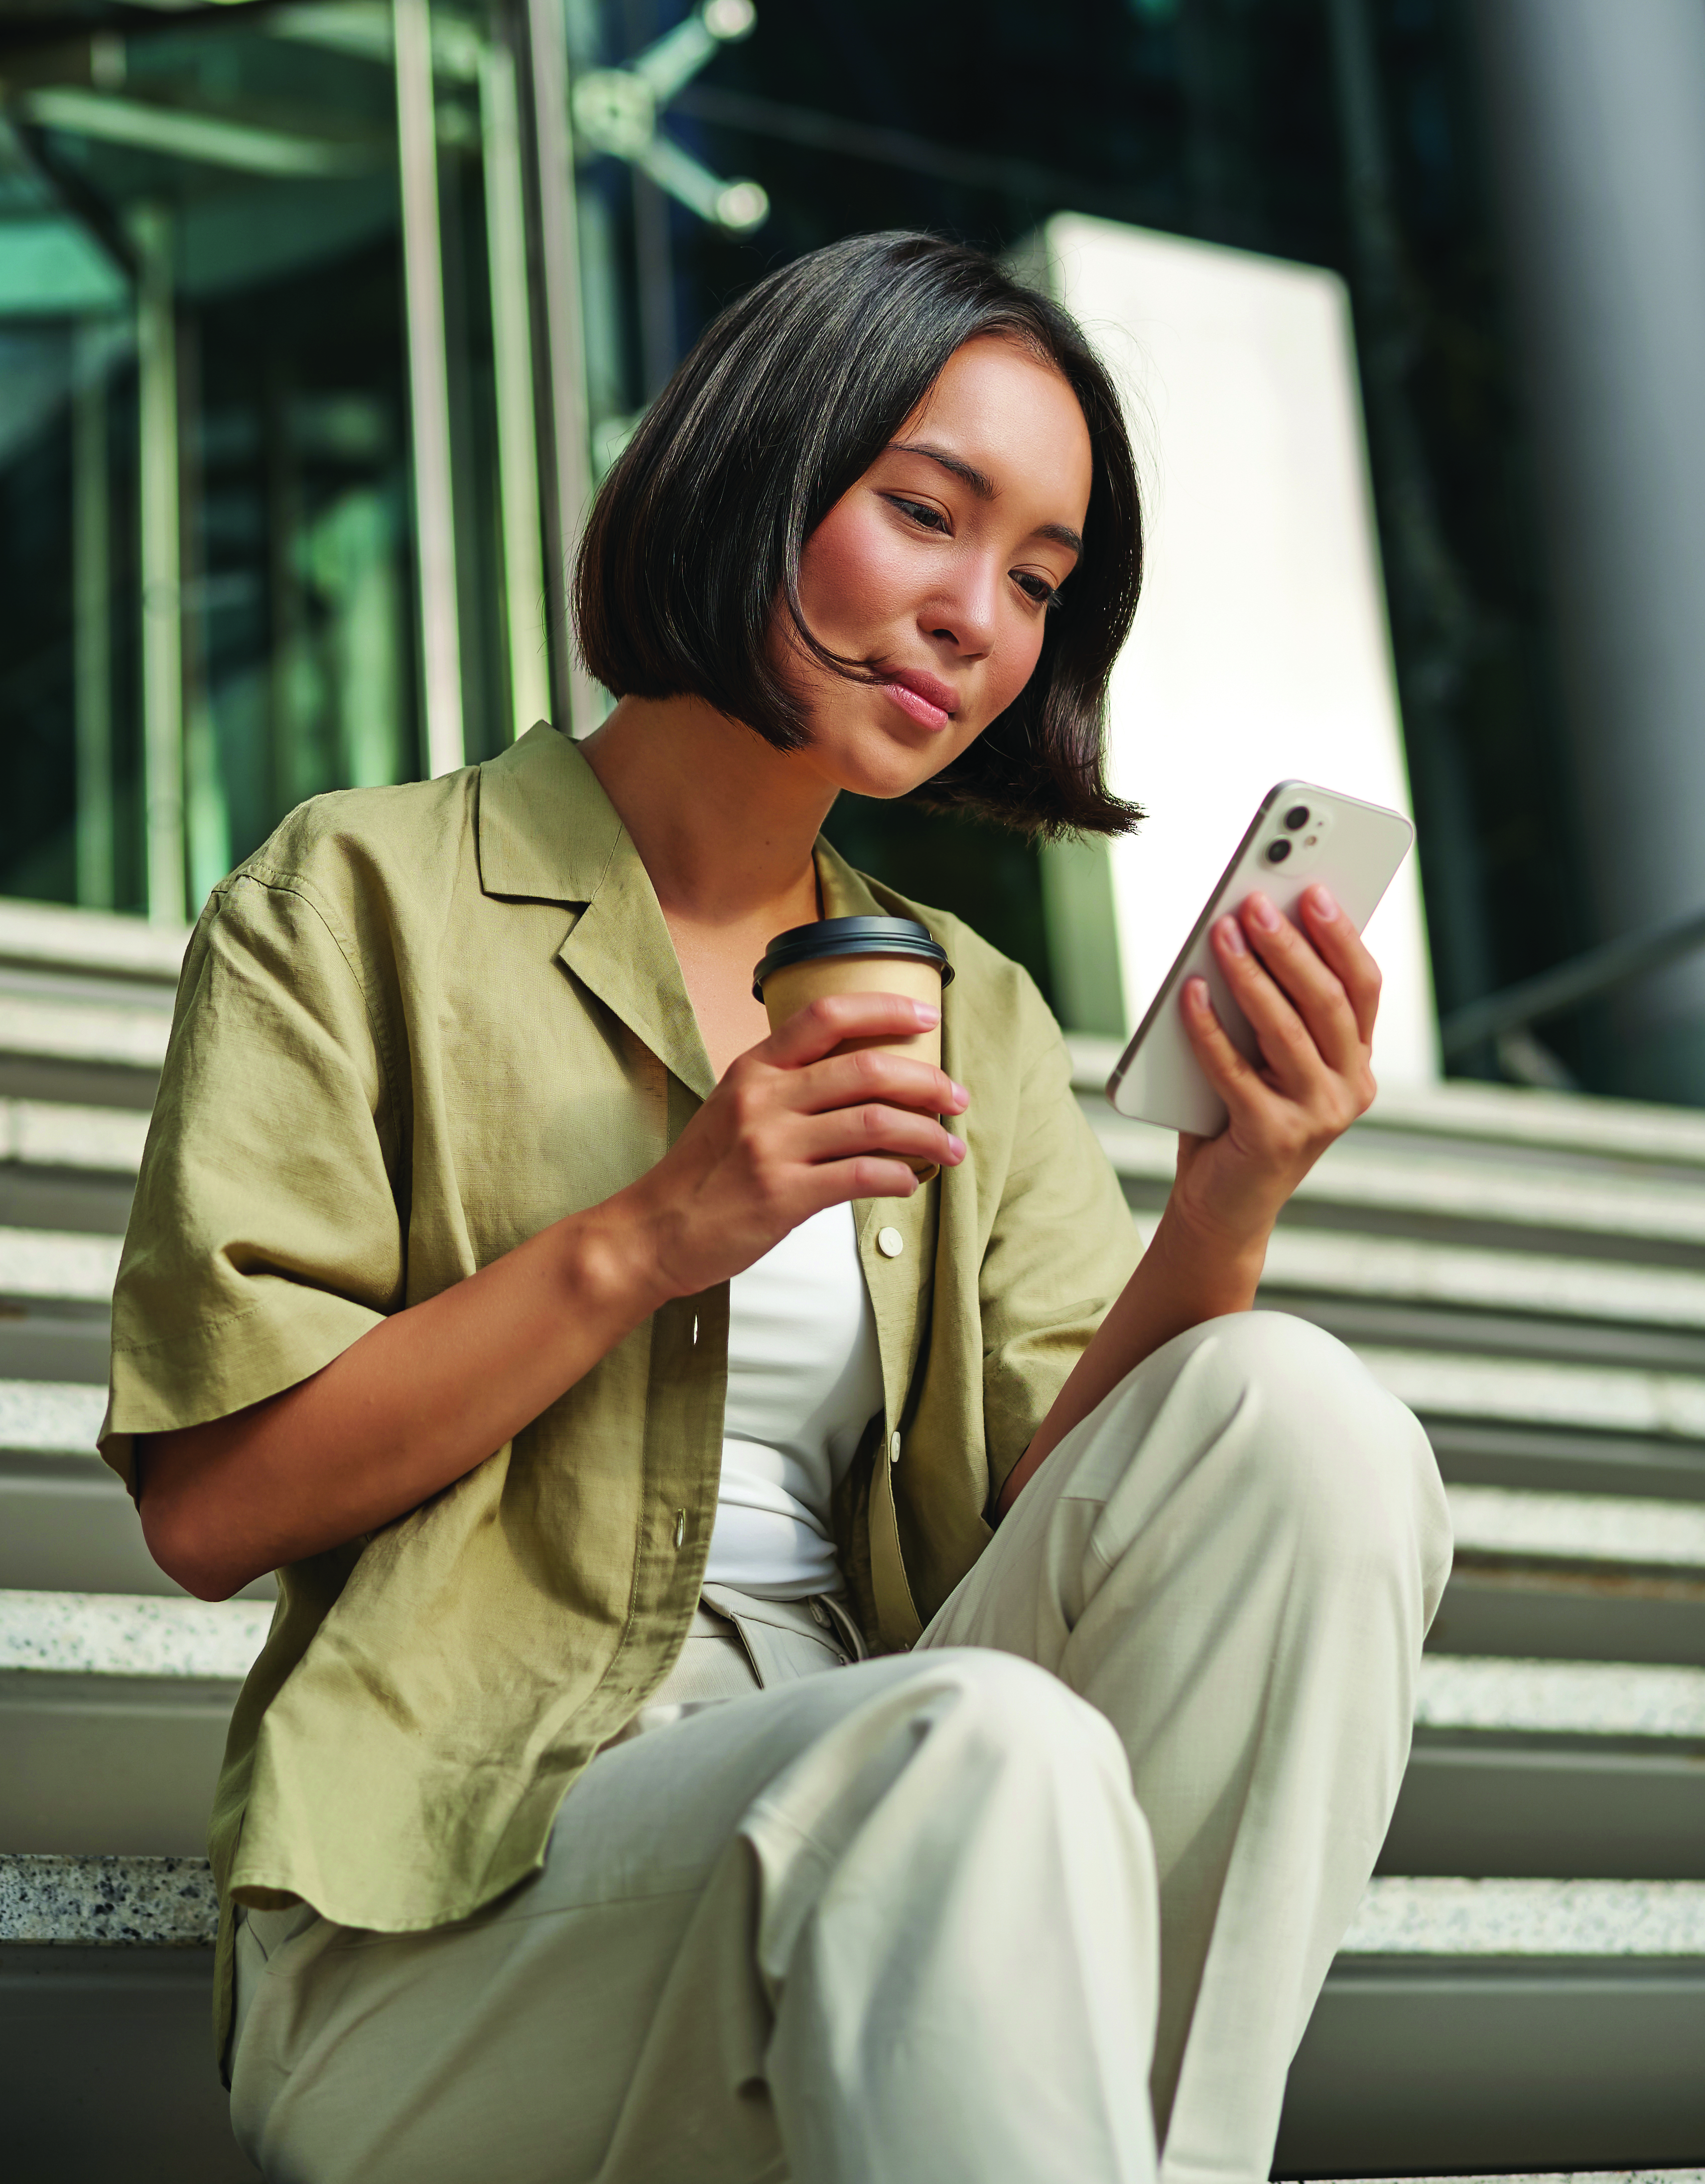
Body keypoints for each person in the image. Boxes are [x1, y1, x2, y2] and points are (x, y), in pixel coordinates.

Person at [102, 231, 1451, 2184]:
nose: (979, 617)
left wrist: (1228, 1201)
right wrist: (651, 1233)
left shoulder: (966, 1006)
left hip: (921, 1810)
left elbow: (1062, 1532)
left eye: (1042, 583)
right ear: (762, 467)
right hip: (465, 1916)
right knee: (975, 1752)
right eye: (927, 513)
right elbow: (213, 1503)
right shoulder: (365, 896)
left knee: (1301, 1422)